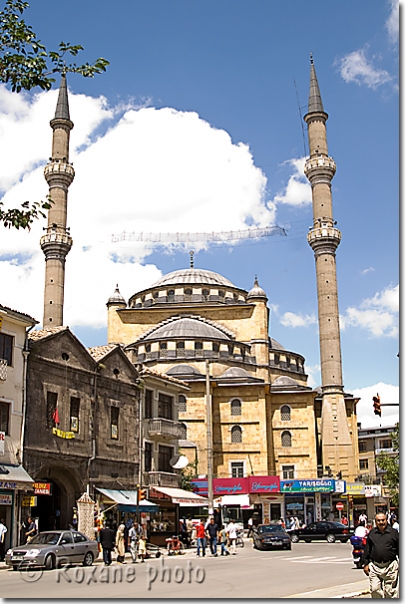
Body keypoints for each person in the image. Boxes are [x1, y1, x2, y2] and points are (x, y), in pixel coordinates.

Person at [363, 512, 399, 599]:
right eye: (378, 520)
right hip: (375, 566)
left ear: (387, 520)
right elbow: (368, 549)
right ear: (376, 522)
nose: (381, 522)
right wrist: (365, 563)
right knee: (374, 589)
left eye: (383, 520)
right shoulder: (372, 533)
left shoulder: (393, 533)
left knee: (390, 592)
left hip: (390, 566)